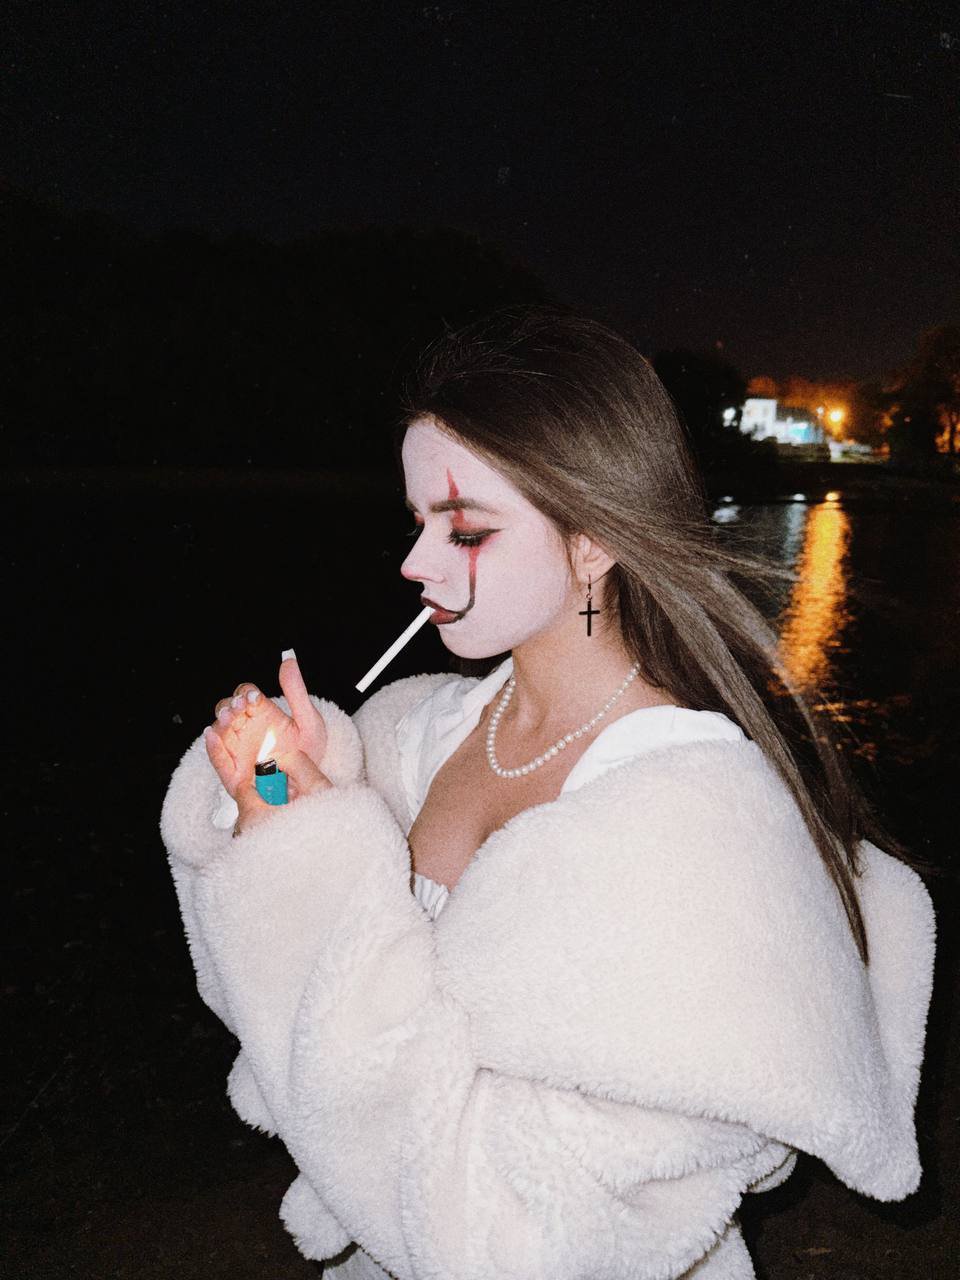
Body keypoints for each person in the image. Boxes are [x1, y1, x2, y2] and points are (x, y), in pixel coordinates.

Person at [161, 306, 935, 1280]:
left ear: (593, 542)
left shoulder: (691, 831)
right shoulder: (420, 729)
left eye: (466, 528)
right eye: (417, 522)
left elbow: (525, 1240)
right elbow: (280, 1023)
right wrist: (290, 794)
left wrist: (304, 856)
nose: (415, 563)